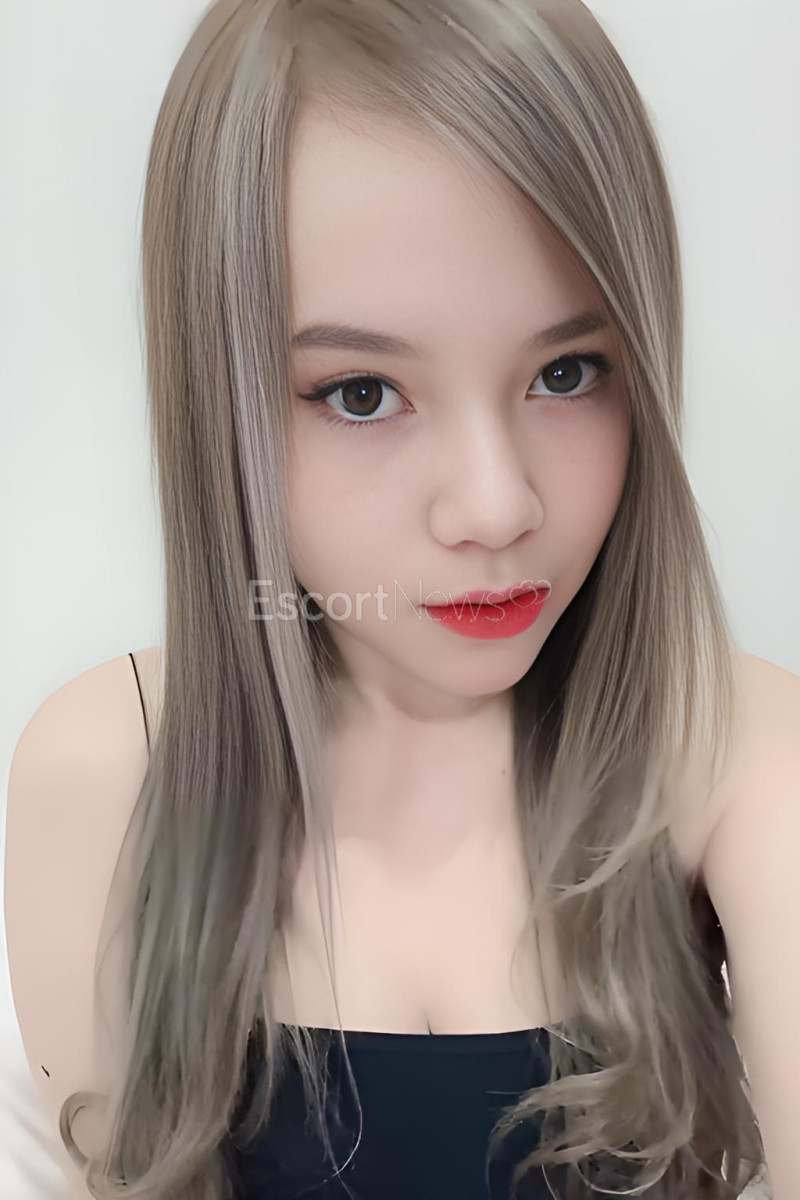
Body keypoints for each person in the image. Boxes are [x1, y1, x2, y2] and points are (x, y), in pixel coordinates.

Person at [5, 0, 797, 1196]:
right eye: (362, 393)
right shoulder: (108, 779)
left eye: (565, 372)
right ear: (220, 398)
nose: (495, 506)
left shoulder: (736, 760)